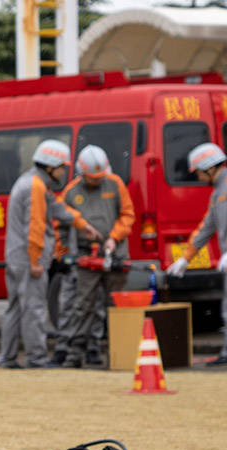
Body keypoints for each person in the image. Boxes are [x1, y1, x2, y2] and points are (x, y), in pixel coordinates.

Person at [0, 139, 101, 369]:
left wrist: (82, 225)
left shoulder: (33, 183)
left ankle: (7, 357)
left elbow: (57, 209)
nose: (64, 171)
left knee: (15, 307)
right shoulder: (34, 187)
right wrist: (35, 260)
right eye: (62, 167)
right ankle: (37, 358)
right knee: (33, 308)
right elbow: (34, 228)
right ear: (50, 166)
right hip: (27, 258)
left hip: (16, 256)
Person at [55, 145, 135, 368]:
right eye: (92, 178)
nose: (97, 181)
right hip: (85, 258)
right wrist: (61, 254)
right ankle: (74, 355)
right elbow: (59, 224)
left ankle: (118, 354)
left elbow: (127, 214)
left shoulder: (115, 183)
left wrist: (115, 238)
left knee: (115, 306)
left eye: (100, 177)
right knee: (83, 305)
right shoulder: (71, 192)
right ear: (82, 174)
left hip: (114, 255)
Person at [167, 143, 227, 366]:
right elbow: (206, 228)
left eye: (199, 172)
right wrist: (186, 257)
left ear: (209, 168)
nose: (199, 178)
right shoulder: (218, 193)